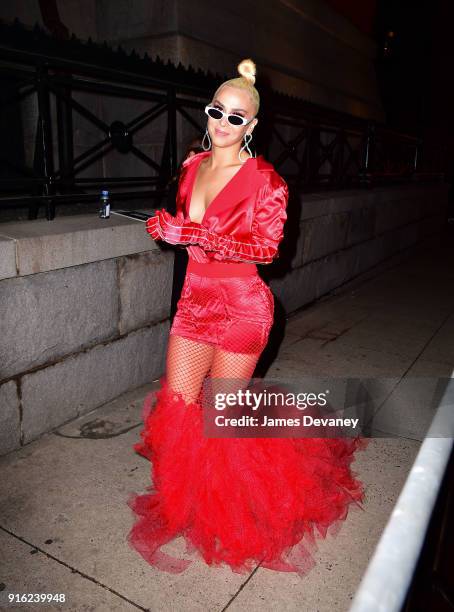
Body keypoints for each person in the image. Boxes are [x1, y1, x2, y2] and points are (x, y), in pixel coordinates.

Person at [127, 58, 367, 576]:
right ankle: (188, 502)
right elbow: (189, 235)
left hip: (241, 308)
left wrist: (196, 236)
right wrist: (169, 227)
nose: (222, 123)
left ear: (252, 127)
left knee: (224, 416)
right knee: (178, 403)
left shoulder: (267, 181)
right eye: (217, 111)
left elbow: (265, 250)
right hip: (194, 303)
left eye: (237, 117)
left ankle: (232, 514)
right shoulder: (192, 169)